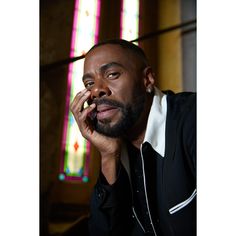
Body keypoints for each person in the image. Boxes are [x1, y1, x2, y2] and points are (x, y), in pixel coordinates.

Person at [70, 39, 196, 236]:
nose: (96, 91)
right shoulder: (118, 148)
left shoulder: (194, 118)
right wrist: (108, 155)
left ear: (147, 79)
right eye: (89, 84)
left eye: (112, 74)